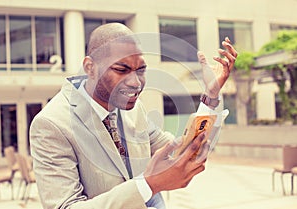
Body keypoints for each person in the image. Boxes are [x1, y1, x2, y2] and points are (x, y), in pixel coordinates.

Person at [30, 23, 237, 209]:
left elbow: (183, 152)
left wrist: (210, 97)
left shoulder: (133, 109)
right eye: (122, 69)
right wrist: (148, 184)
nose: (136, 83)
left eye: (141, 70)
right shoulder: (51, 124)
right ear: (90, 68)